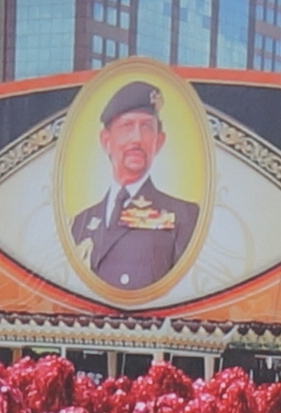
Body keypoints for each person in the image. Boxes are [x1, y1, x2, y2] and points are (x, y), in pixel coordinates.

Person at [67, 83, 198, 293]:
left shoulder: (185, 216)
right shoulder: (79, 223)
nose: (137, 139)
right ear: (106, 140)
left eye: (146, 127)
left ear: (159, 141)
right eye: (127, 126)